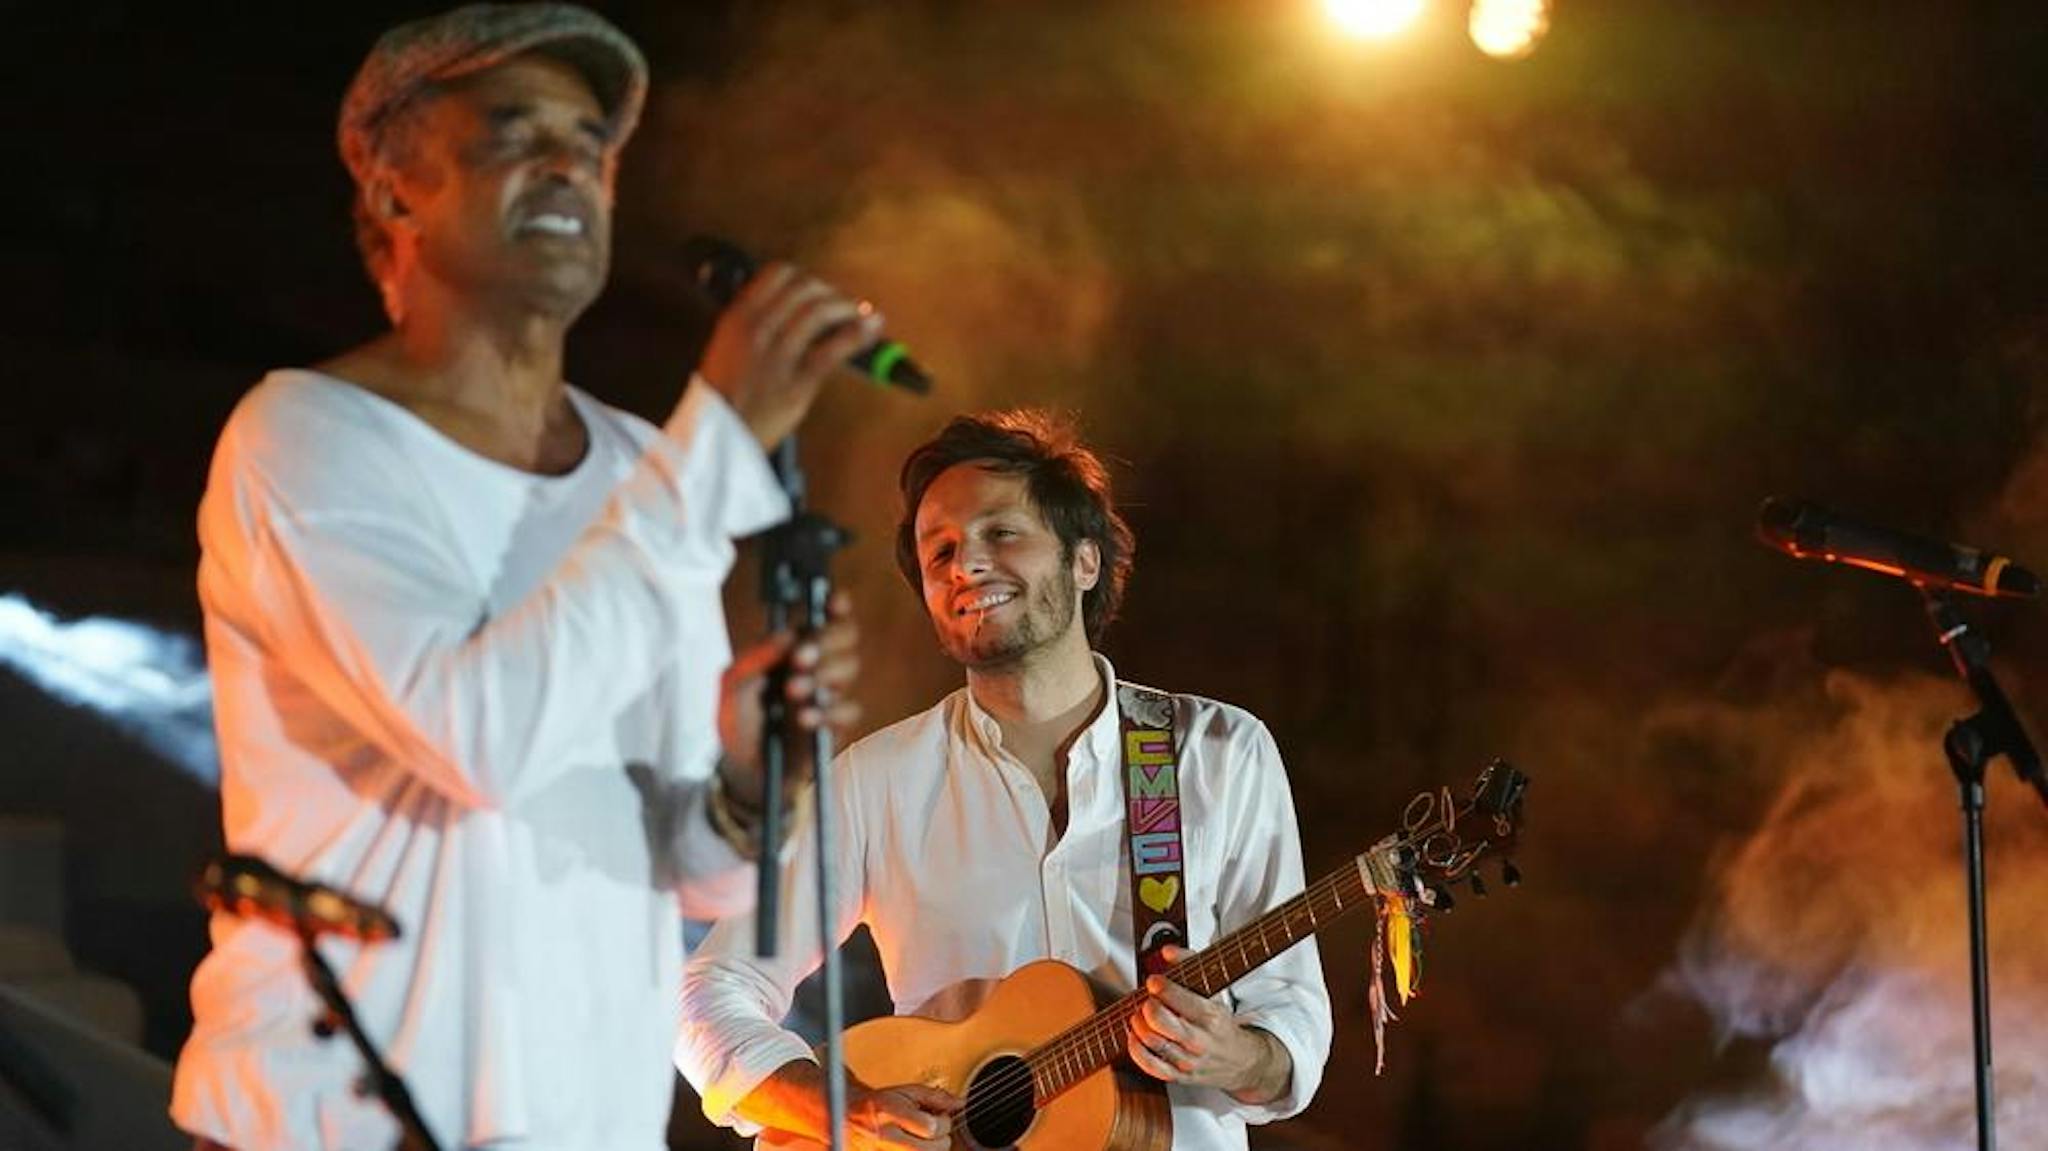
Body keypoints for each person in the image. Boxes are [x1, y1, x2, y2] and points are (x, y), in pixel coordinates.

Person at [169, 6, 879, 1149]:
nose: (567, 163)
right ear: (396, 192)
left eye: (589, 142)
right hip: (341, 1124)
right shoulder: (305, 435)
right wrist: (719, 445)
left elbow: (693, 871)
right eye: (511, 131)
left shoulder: (645, 468)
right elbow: (479, 734)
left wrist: (748, 776)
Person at [677, 410, 1333, 1150]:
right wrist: (843, 1107)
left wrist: (1239, 1054)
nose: (967, 565)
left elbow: (1289, 1014)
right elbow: (707, 988)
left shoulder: (1219, 753)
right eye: (940, 552)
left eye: (1002, 533)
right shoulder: (877, 780)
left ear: (1086, 560)